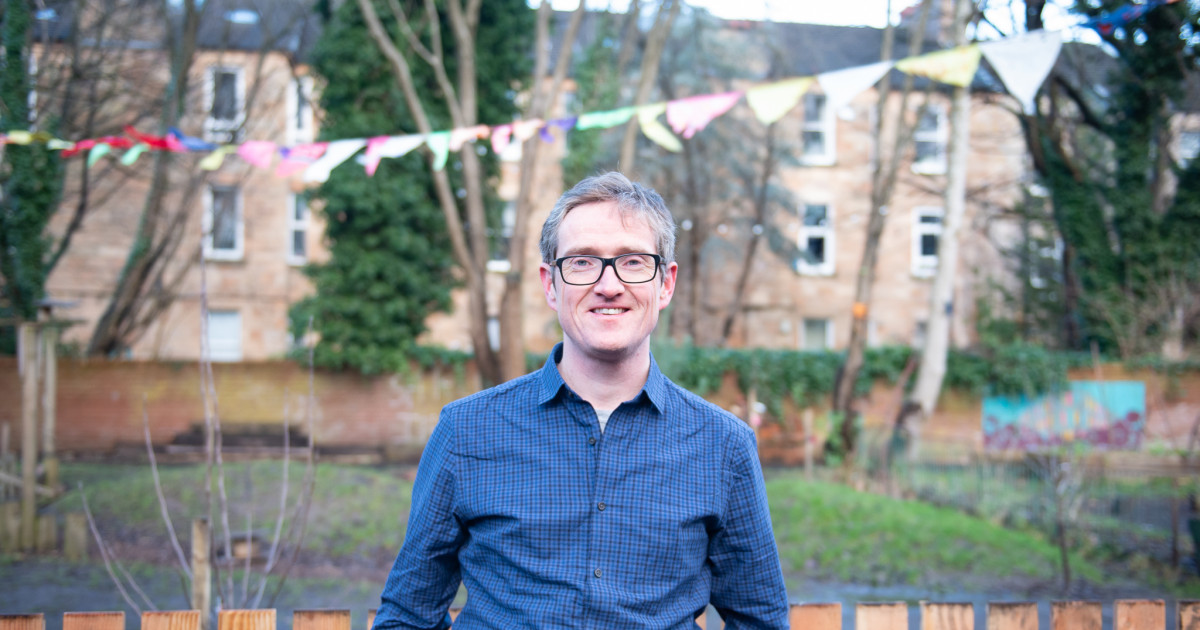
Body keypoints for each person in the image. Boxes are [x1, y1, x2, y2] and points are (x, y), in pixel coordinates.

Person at [375, 172, 789, 629]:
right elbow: (406, 617)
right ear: (551, 284)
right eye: (582, 262)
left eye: (632, 262)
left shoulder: (723, 445)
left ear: (665, 284)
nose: (608, 285)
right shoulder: (467, 430)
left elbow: (759, 620)